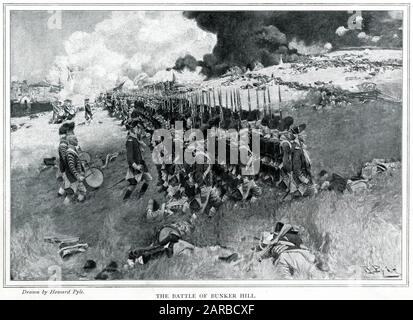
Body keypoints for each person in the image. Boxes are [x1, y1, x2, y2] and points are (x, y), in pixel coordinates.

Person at [124, 119, 152, 200]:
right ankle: (126, 198)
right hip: (136, 165)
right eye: (138, 128)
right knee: (133, 184)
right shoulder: (130, 140)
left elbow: (142, 148)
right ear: (134, 128)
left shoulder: (135, 138)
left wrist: (140, 142)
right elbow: (129, 158)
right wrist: (136, 167)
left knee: (148, 179)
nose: (140, 130)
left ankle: (140, 195)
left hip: (141, 163)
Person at [64, 135, 87, 204]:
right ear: (71, 141)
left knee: (81, 191)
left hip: (75, 176)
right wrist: (78, 176)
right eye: (75, 140)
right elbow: (71, 167)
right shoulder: (70, 152)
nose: (77, 141)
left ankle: (78, 203)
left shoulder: (73, 150)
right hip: (73, 177)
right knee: (73, 192)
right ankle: (65, 205)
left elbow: (77, 161)